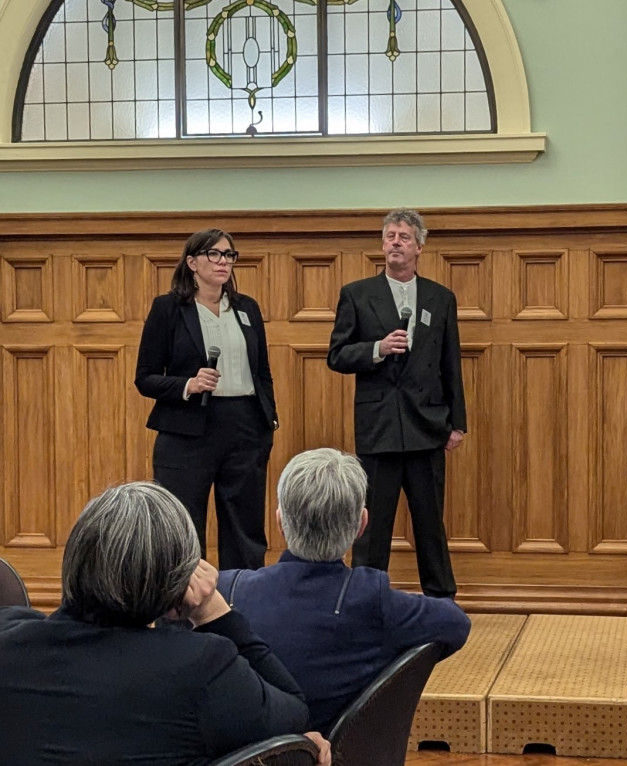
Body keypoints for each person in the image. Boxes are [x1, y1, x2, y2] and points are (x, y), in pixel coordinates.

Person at [0, 482, 330, 766]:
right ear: (177, 583)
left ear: (74, 555)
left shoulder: (9, 640)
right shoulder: (200, 668)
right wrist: (213, 612)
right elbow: (295, 715)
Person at [218, 447, 471, 734]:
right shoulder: (371, 600)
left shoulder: (229, 591)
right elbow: (455, 622)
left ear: (279, 522)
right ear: (361, 524)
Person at [328, 208, 466, 598]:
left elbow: (450, 362)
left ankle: (442, 599)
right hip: (379, 428)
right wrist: (377, 348)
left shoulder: (440, 298)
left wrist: (457, 422)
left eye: (404, 237)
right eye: (389, 236)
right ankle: (366, 599)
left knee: (430, 523)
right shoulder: (356, 294)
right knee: (373, 524)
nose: (395, 243)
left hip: (427, 426)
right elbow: (336, 355)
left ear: (419, 246)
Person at [135, 228, 278, 570]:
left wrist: (268, 419)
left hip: (245, 427)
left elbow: (262, 372)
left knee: (245, 527)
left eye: (229, 255)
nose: (223, 262)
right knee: (184, 527)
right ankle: (184, 610)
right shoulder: (168, 309)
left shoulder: (247, 308)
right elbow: (145, 378)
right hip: (187, 430)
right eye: (214, 254)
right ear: (192, 262)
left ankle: (240, 600)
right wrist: (189, 384)